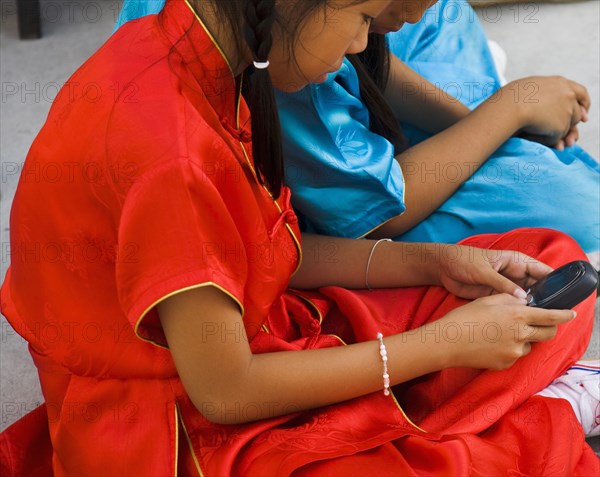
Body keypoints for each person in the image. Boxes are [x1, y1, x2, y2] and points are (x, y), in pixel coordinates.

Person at [1, 0, 598, 475]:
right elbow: (225, 393)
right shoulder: (172, 152)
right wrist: (441, 346)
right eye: (362, 18)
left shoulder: (206, 49)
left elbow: (266, 251)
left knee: (546, 259)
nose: (363, 45)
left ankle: (487, 406)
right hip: (173, 413)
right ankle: (538, 411)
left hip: (258, 324)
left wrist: (436, 262)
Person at [116, 0, 600, 257]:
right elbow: (375, 222)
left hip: (322, 71)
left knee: (445, 18)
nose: (369, 35)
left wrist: (488, 122)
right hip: (352, 210)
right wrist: (509, 109)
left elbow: (371, 62)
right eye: (367, 15)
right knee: (583, 206)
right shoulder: (286, 70)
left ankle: (443, 132)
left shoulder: (293, 29)